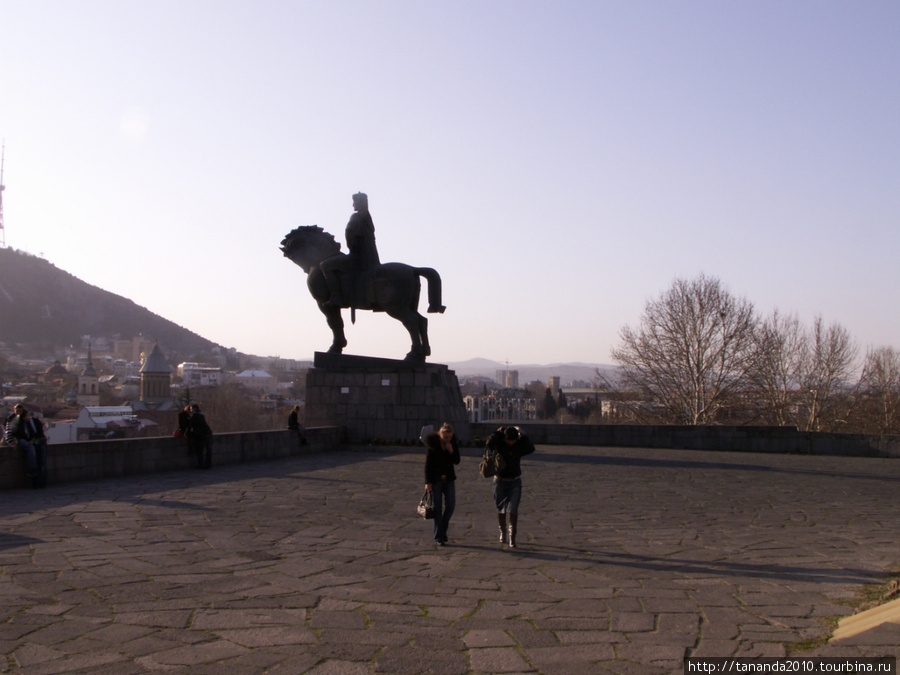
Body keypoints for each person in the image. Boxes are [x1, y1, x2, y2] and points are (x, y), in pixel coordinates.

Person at [320, 192, 380, 308]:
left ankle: (336, 298)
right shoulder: (367, 217)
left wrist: (350, 245)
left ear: (360, 202)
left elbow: (349, 231)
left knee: (325, 265)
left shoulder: (356, 217)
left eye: (355, 202)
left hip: (358, 256)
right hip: (370, 257)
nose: (353, 205)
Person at [486, 426, 535, 549]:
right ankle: (503, 531)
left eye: (513, 440)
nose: (511, 442)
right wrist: (497, 432)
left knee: (513, 509)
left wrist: (522, 433)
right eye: (509, 440)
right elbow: (489, 444)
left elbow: (530, 448)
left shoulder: (518, 446)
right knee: (501, 508)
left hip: (515, 481)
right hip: (500, 480)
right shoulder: (499, 445)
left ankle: (512, 537)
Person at [424, 423, 460, 546]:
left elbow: (457, 460)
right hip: (436, 479)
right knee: (437, 508)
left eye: (450, 437)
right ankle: (439, 537)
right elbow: (428, 464)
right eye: (445, 437)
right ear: (440, 435)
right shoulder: (434, 444)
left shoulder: (452, 443)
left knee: (450, 505)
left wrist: (451, 450)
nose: (448, 439)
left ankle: (442, 530)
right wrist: (428, 482)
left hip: (449, 479)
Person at [5, 405, 49, 488]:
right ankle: (34, 475)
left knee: (41, 461)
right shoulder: (12, 420)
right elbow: (10, 433)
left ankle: (41, 482)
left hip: (38, 443)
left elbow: (37, 433)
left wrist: (33, 440)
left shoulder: (32, 422)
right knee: (32, 452)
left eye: (20, 411)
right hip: (26, 442)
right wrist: (12, 443)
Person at [185, 404, 213, 469]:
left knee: (200, 451)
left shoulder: (195, 415)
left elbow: (190, 425)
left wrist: (187, 433)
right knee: (208, 450)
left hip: (200, 435)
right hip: (207, 434)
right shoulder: (201, 414)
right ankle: (208, 464)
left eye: (191, 409)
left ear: (194, 408)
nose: (191, 410)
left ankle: (201, 465)